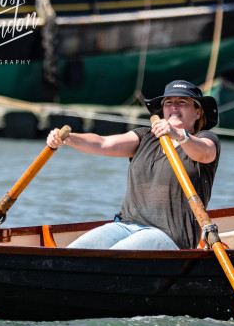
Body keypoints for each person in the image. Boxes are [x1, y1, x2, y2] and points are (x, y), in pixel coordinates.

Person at [45, 80, 221, 250]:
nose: (173, 106)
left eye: (182, 102)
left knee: (112, 257)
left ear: (198, 113)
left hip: (170, 235)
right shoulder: (145, 137)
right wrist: (68, 138)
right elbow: (102, 143)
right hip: (124, 226)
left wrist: (179, 135)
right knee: (73, 252)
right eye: (168, 102)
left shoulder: (205, 139)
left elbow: (205, 152)